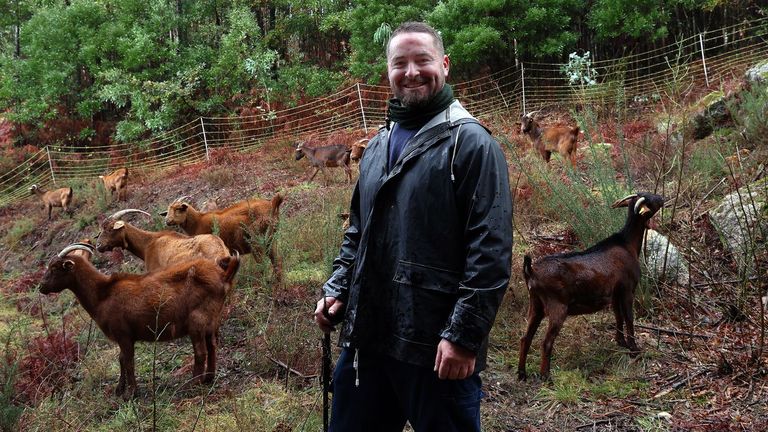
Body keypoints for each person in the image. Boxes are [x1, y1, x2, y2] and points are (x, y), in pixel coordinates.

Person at [313, 21, 513, 432]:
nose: (411, 71)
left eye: (422, 60)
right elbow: (358, 233)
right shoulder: (376, 146)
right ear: (387, 72)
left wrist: (463, 336)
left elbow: (490, 251)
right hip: (368, 340)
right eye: (399, 63)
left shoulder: (471, 144)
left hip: (435, 348)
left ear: (444, 63)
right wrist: (337, 288)